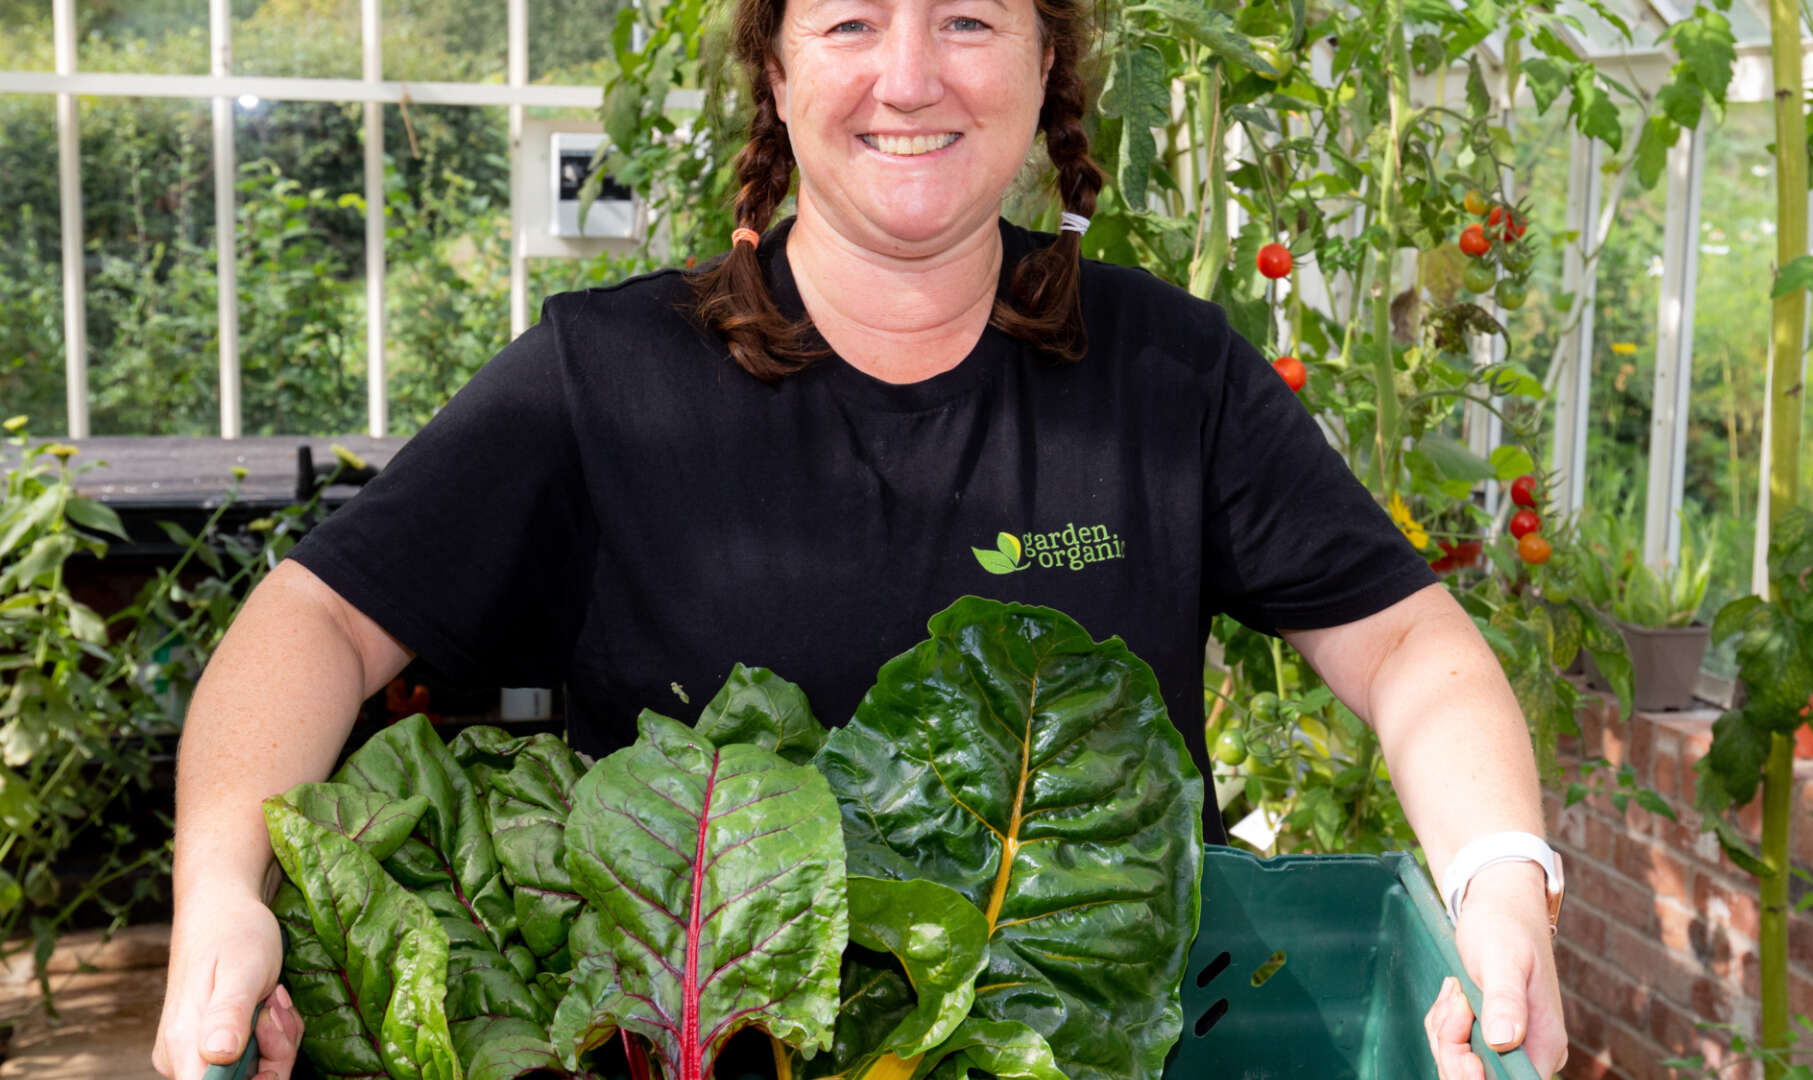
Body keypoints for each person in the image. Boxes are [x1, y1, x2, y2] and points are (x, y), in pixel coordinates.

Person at [151, 0, 1569, 1078]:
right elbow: (315, 621)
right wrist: (222, 890)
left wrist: (1504, 873)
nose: (909, 75)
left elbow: (1404, 644)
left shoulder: (1169, 375)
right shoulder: (605, 378)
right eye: (849, 20)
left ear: (1044, 62)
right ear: (775, 67)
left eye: (966, 17)